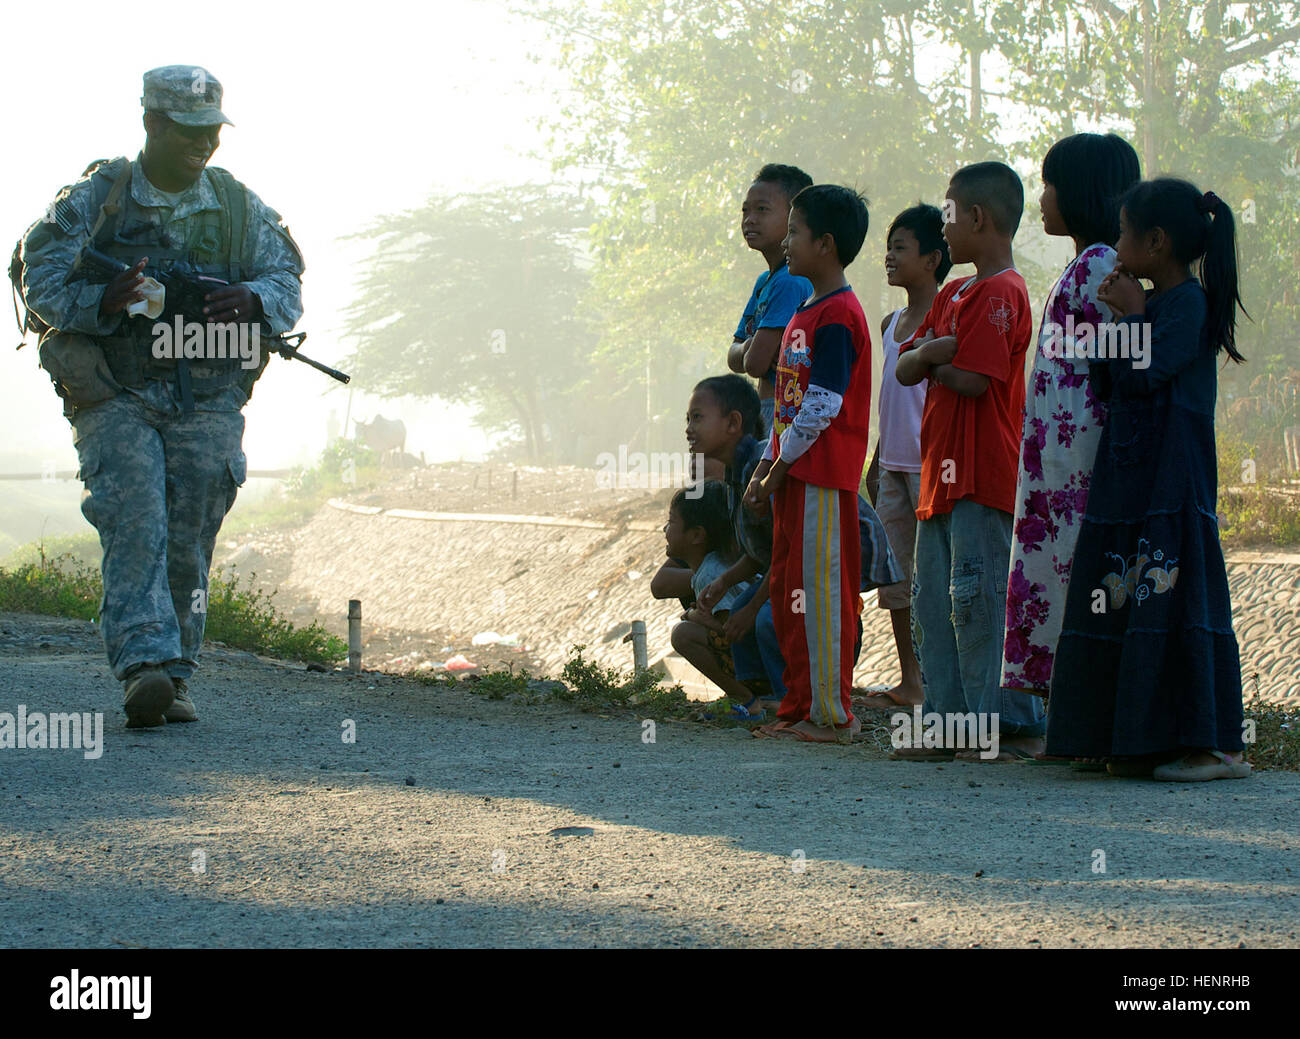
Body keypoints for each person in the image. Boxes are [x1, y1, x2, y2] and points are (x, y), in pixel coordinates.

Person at [18, 66, 305, 728]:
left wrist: (254, 298)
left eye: (212, 131)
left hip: (206, 395)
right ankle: (145, 665)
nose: (204, 144)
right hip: (117, 390)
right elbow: (42, 286)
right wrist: (103, 301)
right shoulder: (96, 201)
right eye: (189, 131)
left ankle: (176, 674)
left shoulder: (237, 206)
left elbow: (285, 276)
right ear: (153, 123)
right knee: (136, 512)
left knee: (194, 521)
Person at [1045, 178, 1251, 782]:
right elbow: (1110, 380)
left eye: (1125, 232)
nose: (1116, 244)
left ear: (1155, 241)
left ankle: (1215, 748)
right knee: (1119, 590)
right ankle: (1129, 739)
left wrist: (1131, 315)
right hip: (1130, 471)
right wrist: (1123, 316)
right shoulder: (1151, 301)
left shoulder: (1187, 304)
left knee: (1176, 594)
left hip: (1172, 475)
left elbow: (1146, 374)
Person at [894, 162, 1045, 761]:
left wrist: (933, 360)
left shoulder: (1003, 292)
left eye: (950, 214)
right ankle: (950, 726)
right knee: (936, 602)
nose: (944, 225)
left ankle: (1002, 728)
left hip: (981, 474)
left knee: (978, 602)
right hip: (940, 477)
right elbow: (908, 366)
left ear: (978, 217)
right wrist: (935, 352)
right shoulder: (956, 293)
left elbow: (975, 381)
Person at [1000, 134, 1140, 715]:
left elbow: (1121, 361)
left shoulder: (1102, 265)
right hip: (1056, 458)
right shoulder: (1083, 264)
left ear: (1081, 191)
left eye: (1051, 183)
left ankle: (1086, 713)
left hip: (1079, 455)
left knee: (1075, 573)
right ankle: (1070, 713)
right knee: (1060, 575)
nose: (1043, 196)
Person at [742, 185, 875, 743]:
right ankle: (798, 706)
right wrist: (768, 463)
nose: (787, 241)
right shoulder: (806, 308)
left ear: (825, 243)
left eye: (795, 231)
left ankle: (832, 715)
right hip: (793, 473)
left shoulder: (840, 315)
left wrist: (776, 467)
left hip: (821, 478)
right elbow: (788, 405)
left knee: (820, 596)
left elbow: (823, 405)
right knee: (787, 591)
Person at [859, 204, 951, 712]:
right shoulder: (890, 322)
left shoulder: (947, 316)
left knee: (938, 577)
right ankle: (910, 681)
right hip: (892, 467)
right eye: (888, 248)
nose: (889, 258)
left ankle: (943, 685)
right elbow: (890, 400)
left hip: (934, 468)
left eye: (901, 248)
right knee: (897, 582)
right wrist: (877, 459)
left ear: (933, 258)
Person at [728, 165, 814, 435]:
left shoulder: (790, 281)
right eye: (745, 210)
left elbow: (753, 365)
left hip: (785, 408)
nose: (749, 219)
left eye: (762, 210)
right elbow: (735, 357)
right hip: (766, 405)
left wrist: (748, 350)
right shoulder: (765, 281)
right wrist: (750, 347)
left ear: (795, 217)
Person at [664, 482, 764, 705]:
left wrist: (694, 617)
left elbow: (734, 631)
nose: (665, 530)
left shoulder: (710, 574)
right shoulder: (721, 566)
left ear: (697, 535)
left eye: (671, 522)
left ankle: (745, 699)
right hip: (767, 657)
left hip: (759, 661)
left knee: (683, 635)